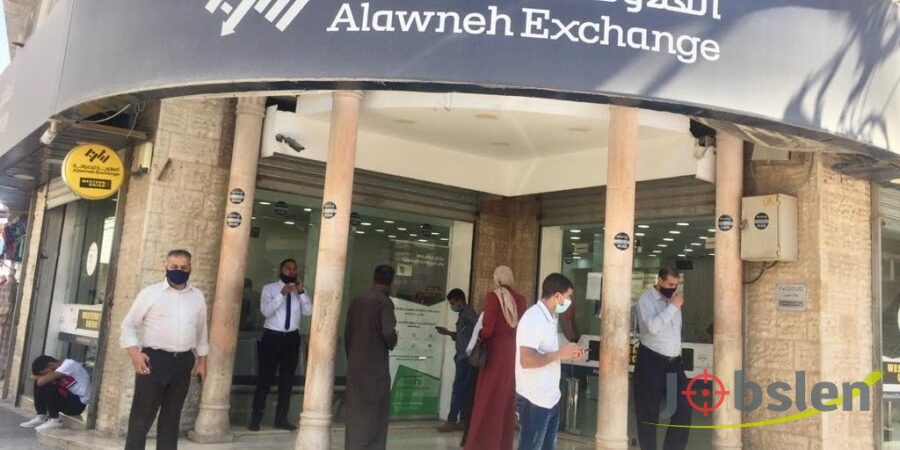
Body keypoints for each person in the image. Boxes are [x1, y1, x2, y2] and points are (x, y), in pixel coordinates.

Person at [121, 249, 208, 450]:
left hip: (183, 362)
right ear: (166, 267)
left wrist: (203, 363)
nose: (179, 270)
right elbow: (128, 325)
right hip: (154, 361)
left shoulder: (197, 297)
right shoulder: (150, 293)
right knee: (142, 416)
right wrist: (135, 354)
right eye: (174, 266)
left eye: (183, 267)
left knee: (172, 417)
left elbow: (202, 331)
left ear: (190, 268)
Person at [516, 273, 587, 450]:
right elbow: (526, 360)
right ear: (557, 296)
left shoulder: (550, 318)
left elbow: (549, 353)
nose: (570, 301)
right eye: (568, 296)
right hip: (534, 400)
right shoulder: (534, 318)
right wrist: (559, 354)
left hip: (550, 397)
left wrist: (568, 353)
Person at [464, 265, 526, 450]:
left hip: (494, 355)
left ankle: (482, 444)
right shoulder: (521, 299)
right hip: (511, 355)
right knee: (506, 401)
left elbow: (488, 330)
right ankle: (503, 444)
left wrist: (479, 334)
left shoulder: (493, 296)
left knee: (487, 399)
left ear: (498, 279)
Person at [249, 258, 313, 431]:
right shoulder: (269, 288)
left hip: (291, 339)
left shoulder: (300, 291)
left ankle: (281, 418)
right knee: (265, 378)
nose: (291, 271)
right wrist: (282, 294)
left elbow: (309, 311)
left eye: (294, 268)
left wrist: (301, 292)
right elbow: (266, 311)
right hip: (272, 337)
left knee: (287, 380)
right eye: (287, 268)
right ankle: (255, 419)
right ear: (281, 270)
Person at [634, 267, 691, 450]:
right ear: (659, 281)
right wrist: (673, 307)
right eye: (670, 284)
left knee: (683, 410)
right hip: (652, 362)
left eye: (676, 285)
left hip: (674, 364)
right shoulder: (646, 300)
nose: (673, 288)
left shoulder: (674, 300)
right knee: (648, 414)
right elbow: (652, 327)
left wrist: (674, 306)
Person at [344, 265, 398, 450]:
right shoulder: (384, 302)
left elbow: (348, 332)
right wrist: (393, 340)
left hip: (355, 363)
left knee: (356, 410)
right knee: (375, 413)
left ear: (373, 277)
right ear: (391, 282)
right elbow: (388, 333)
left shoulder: (358, 299)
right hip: (375, 367)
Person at [435, 288, 477, 432]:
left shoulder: (468, 312)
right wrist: (448, 332)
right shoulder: (463, 314)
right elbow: (462, 335)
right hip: (462, 357)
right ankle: (463, 421)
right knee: (464, 391)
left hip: (466, 358)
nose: (452, 306)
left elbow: (479, 328)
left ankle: (451, 421)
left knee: (458, 390)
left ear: (460, 300)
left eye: (453, 303)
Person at [19, 355, 91, 431]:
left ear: (50, 365)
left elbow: (40, 381)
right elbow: (34, 378)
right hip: (70, 398)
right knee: (42, 383)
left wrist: (40, 377)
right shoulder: (61, 368)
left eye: (46, 373)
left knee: (46, 383)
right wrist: (40, 377)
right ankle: (41, 416)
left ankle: (55, 419)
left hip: (77, 405)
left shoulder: (69, 365)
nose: (46, 375)